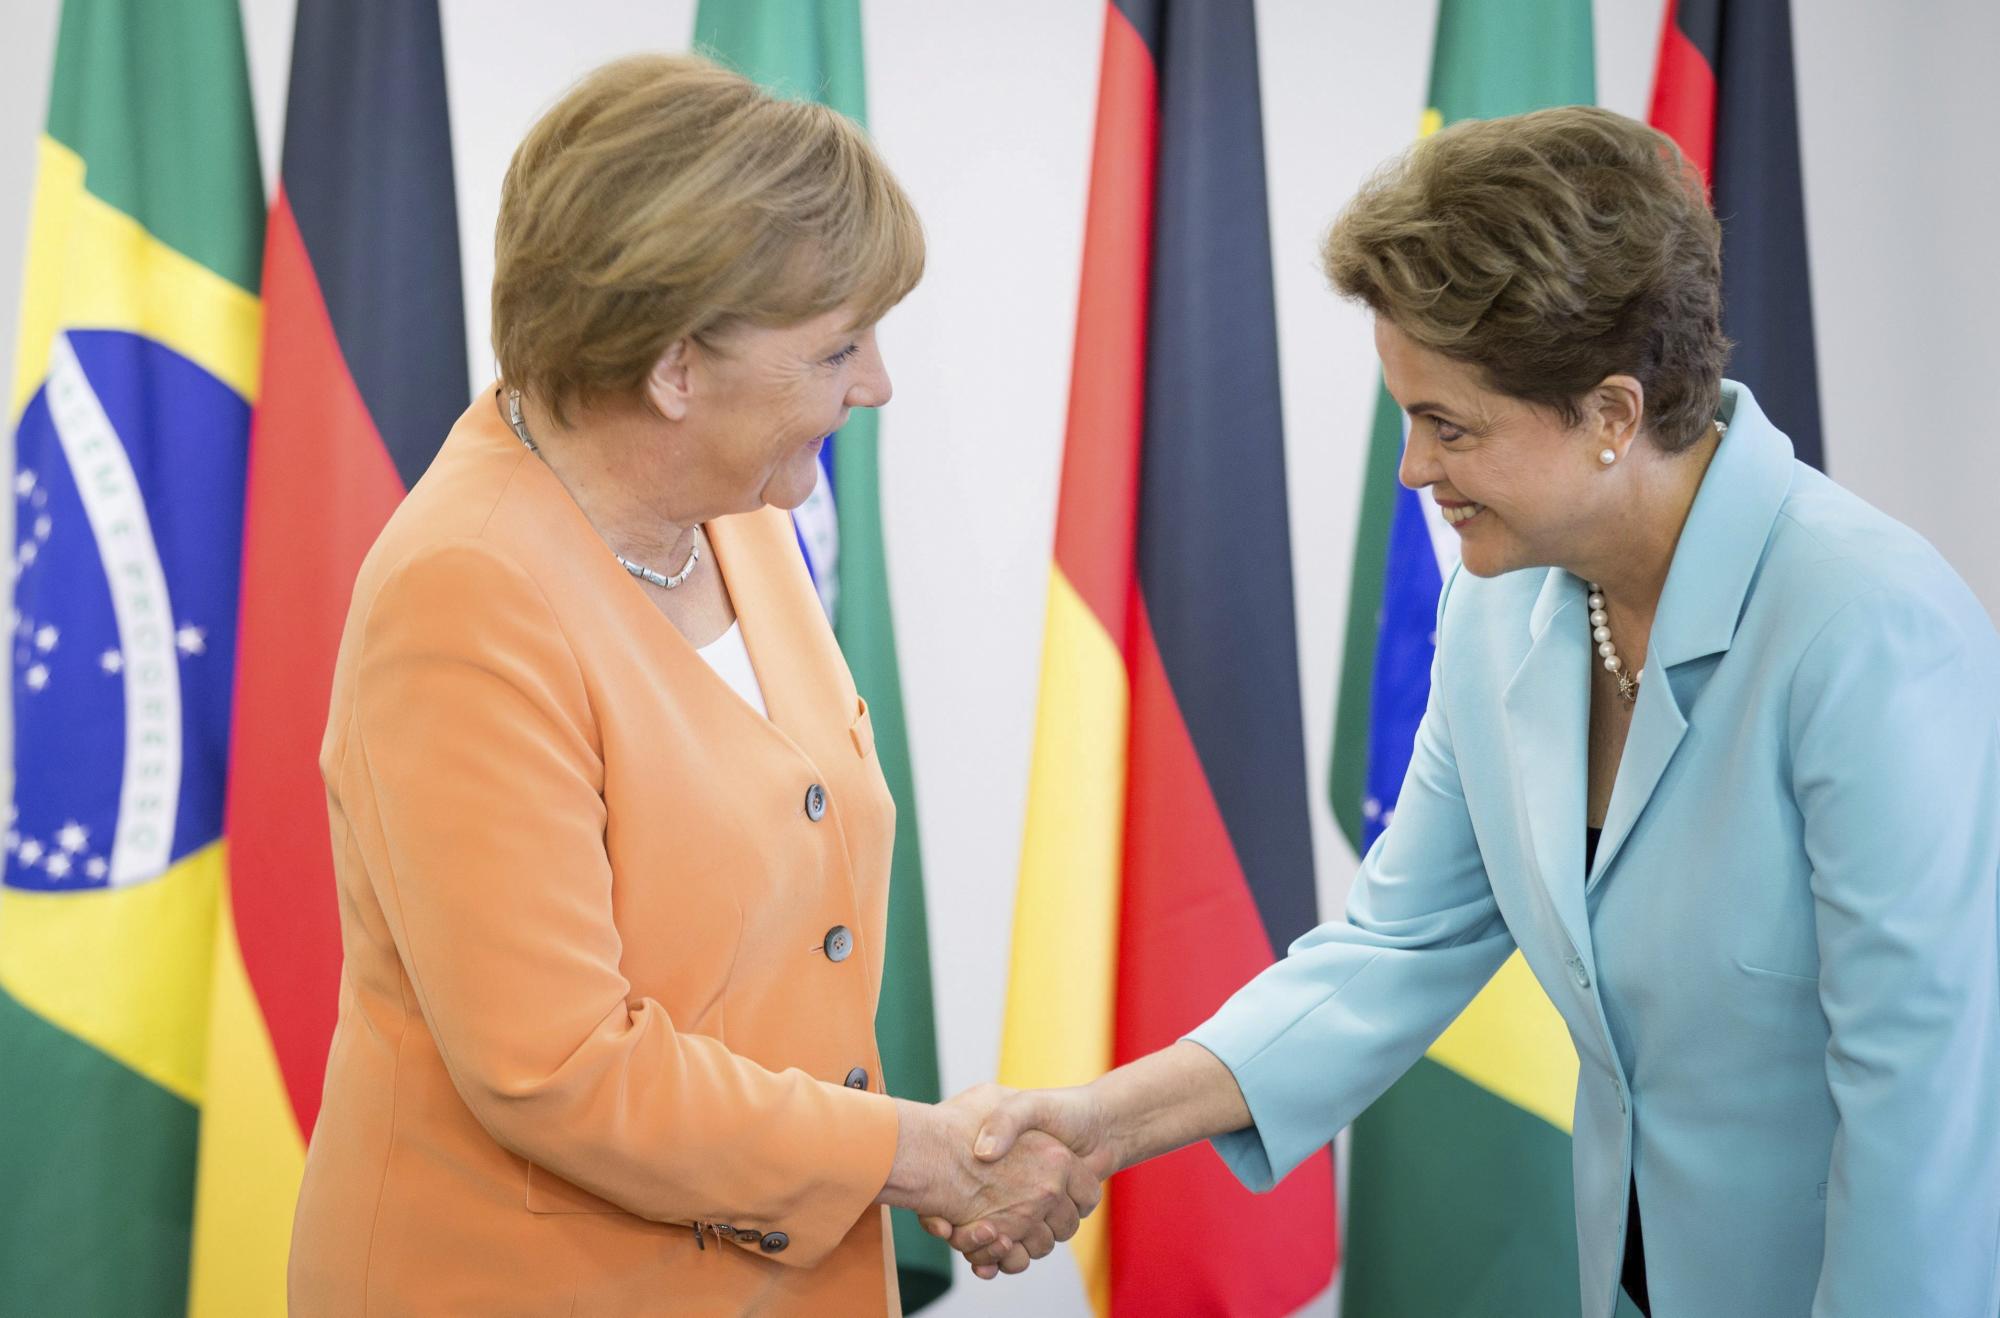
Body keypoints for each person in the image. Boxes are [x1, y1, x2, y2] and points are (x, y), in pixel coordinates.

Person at [942, 106, 2000, 1316]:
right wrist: (1093, 1123)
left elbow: (1922, 1104)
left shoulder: (1867, 624)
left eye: (1448, 425)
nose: (1412, 468)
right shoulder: (1502, 614)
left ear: (1609, 414)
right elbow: (1393, 950)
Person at [288, 54, 1097, 1316]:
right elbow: (555, 1063)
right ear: (674, 369)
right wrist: (909, 1151)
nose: (875, 384)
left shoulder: (738, 510)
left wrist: (909, 1151)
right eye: (838, 348)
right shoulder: (464, 588)